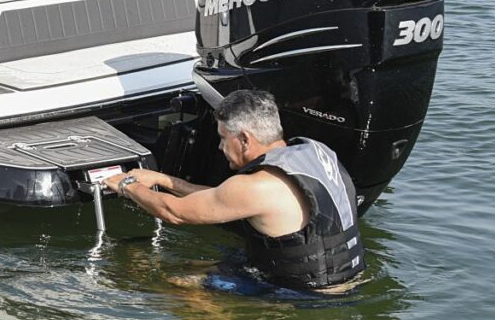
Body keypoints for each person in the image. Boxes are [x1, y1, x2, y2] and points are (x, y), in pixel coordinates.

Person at [105, 89, 365, 292]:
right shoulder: (315, 153)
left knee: (177, 283)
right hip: (345, 276)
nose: (219, 147)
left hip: (304, 292)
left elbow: (173, 213)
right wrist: (163, 179)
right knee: (188, 267)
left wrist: (128, 186)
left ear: (243, 139)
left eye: (222, 138)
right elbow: (221, 197)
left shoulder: (258, 186)